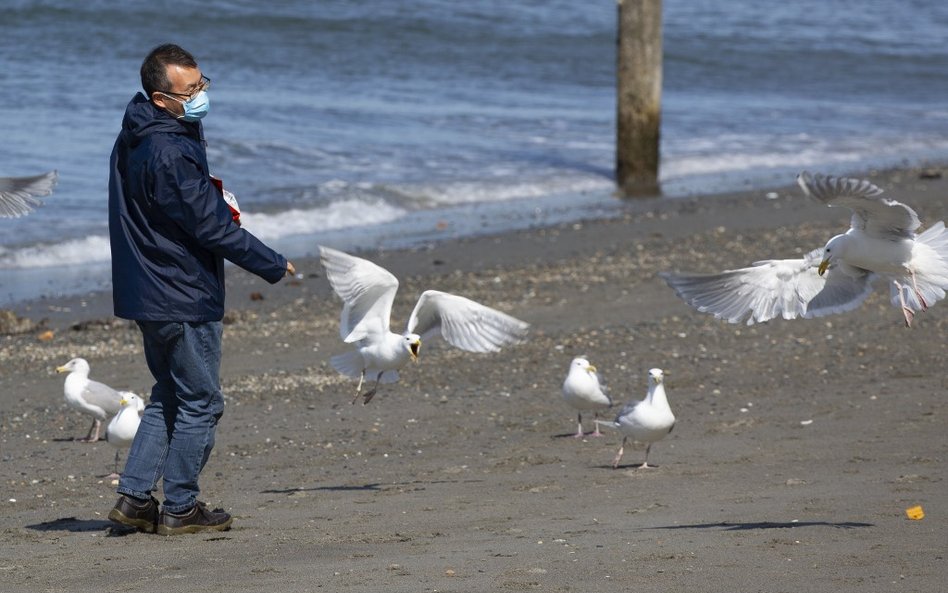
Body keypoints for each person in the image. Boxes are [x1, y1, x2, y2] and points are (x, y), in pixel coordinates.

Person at [107, 44, 296, 535]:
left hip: (149, 287)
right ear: (160, 97)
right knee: (201, 402)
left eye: (201, 84)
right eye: (189, 91)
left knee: (169, 393)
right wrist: (271, 262)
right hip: (179, 290)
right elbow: (209, 225)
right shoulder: (165, 149)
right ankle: (181, 506)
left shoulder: (144, 130)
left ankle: (133, 499)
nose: (200, 96)